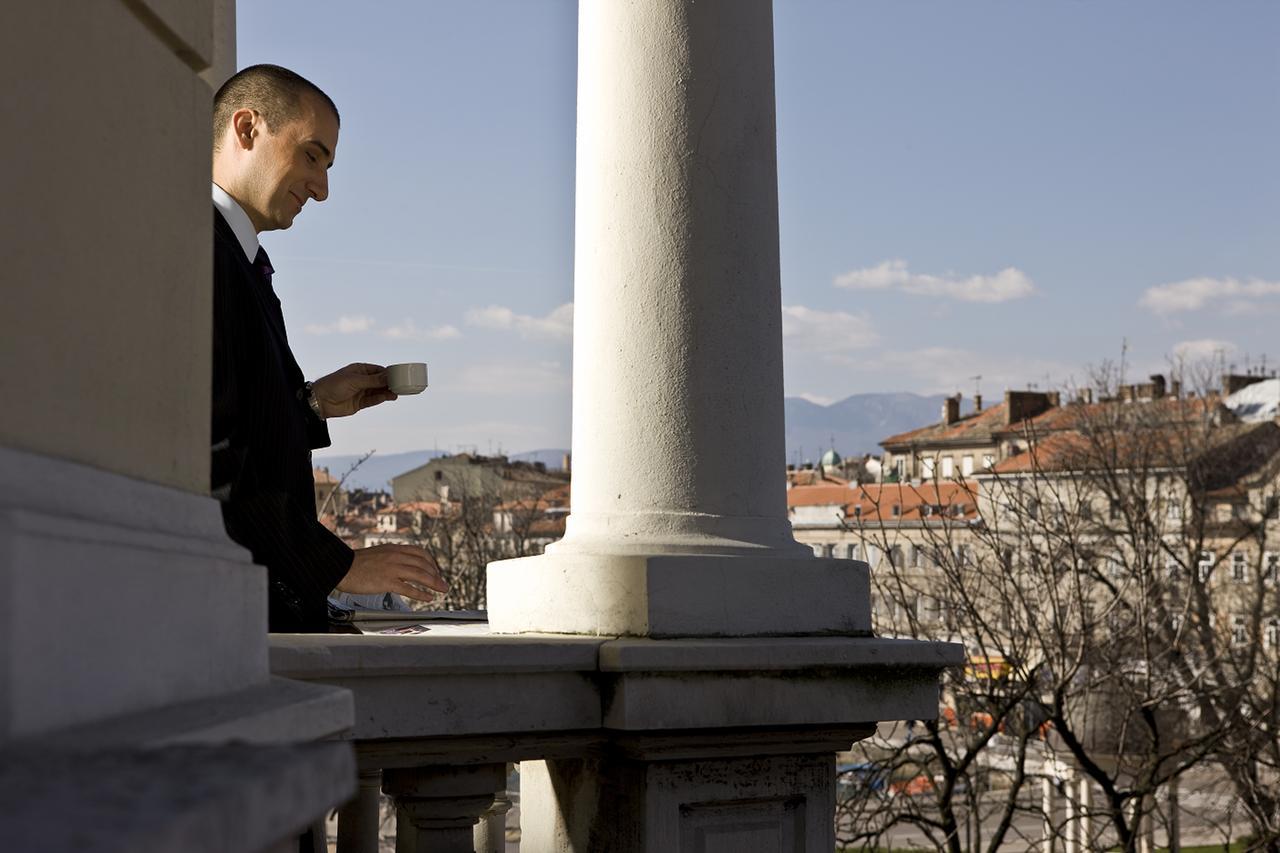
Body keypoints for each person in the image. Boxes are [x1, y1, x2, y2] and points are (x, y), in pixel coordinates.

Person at [210, 64, 446, 632]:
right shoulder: (205, 255)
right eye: (312, 156)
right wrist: (340, 566)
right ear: (247, 129)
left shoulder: (241, 259)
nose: (321, 188)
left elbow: (238, 419)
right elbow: (209, 459)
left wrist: (313, 403)